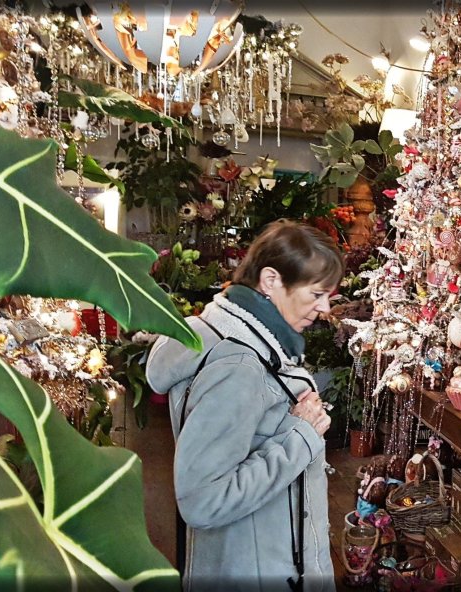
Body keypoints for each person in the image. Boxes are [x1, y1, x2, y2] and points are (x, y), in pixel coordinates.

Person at [147, 220, 345, 592]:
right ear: (271, 281)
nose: (324, 308)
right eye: (317, 293)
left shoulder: (246, 344)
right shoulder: (238, 365)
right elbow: (203, 499)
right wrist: (299, 437)